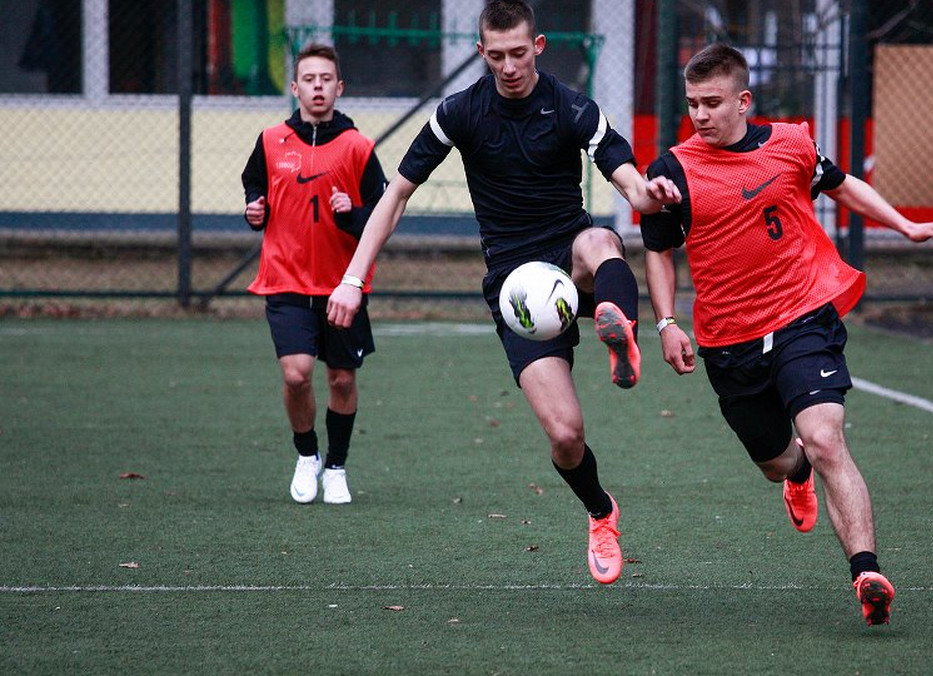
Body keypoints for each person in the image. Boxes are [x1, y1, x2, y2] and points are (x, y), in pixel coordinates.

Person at [326, 0, 679, 584]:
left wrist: (652, 192)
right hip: (516, 288)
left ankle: (622, 331)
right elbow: (395, 197)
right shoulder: (460, 114)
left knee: (602, 242)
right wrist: (353, 278)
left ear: (537, 46)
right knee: (566, 436)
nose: (510, 66)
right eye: (497, 56)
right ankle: (601, 511)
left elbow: (631, 186)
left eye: (519, 53)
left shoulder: (571, 107)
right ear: (481, 53)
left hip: (569, 252)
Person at [641, 43, 933, 625]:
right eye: (692, 104)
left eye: (713, 103)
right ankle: (797, 475)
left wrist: (907, 225)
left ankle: (866, 572)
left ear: (744, 101)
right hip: (728, 339)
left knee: (826, 435)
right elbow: (659, 251)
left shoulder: (790, 145)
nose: (701, 115)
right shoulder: (672, 173)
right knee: (777, 459)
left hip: (801, 314)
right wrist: (665, 322)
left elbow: (840, 185)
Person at [241, 43, 388, 506]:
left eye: (326, 79)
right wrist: (254, 210)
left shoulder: (359, 147)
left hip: (342, 286)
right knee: (296, 374)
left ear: (339, 87)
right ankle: (308, 455)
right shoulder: (269, 141)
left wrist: (352, 214)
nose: (318, 86)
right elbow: (254, 187)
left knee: (341, 380)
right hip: (284, 280)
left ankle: (337, 467)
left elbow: (380, 216)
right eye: (309, 79)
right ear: (295, 87)